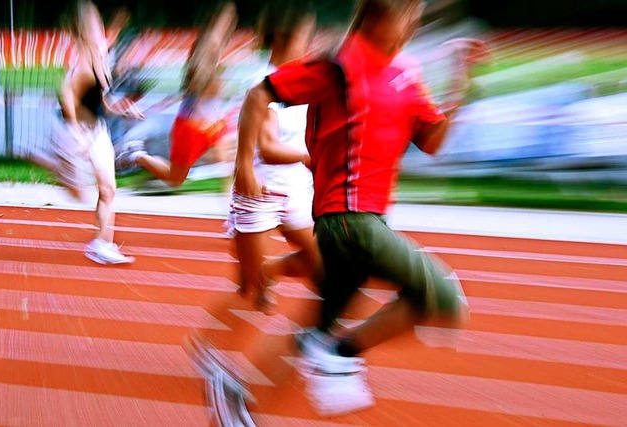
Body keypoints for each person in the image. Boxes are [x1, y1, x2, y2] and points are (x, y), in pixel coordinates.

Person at [234, 0, 489, 416]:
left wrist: (463, 80)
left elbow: (433, 140)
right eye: (405, 15)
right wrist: (245, 164)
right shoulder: (340, 64)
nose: (412, 25)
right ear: (375, 16)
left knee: (313, 332)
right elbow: (259, 93)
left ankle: (237, 394)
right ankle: (340, 354)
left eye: (415, 16)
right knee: (443, 296)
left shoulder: (406, 72)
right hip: (350, 221)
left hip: (356, 226)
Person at [226, 6, 321, 315]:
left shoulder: (304, 79)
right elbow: (267, 147)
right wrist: (310, 157)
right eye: (304, 37)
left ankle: (269, 273)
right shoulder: (262, 81)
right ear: (282, 38)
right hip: (260, 191)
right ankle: (211, 350)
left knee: (319, 264)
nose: (308, 45)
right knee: (249, 290)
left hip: (295, 190)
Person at [50, 0, 143, 265]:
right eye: (94, 24)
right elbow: (68, 94)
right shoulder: (83, 61)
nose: (100, 29)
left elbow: (98, 101)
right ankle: (48, 162)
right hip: (76, 131)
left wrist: (122, 109)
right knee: (78, 193)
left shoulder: (99, 57)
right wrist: (78, 132)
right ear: (82, 30)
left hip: (97, 130)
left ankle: (102, 244)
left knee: (109, 189)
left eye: (100, 23)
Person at [114, 3, 237, 188]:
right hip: (195, 124)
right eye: (227, 18)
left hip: (208, 120)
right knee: (176, 178)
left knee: (231, 164)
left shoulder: (213, 45)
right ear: (216, 20)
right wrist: (215, 84)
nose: (231, 23)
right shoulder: (209, 45)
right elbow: (197, 80)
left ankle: (235, 211)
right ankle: (136, 155)